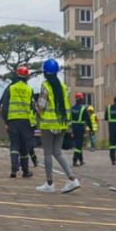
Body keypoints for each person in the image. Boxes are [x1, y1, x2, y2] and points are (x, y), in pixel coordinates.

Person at [33, 59, 81, 193]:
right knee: (58, 152)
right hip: (62, 124)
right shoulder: (63, 86)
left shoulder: (46, 86)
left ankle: (49, 183)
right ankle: (72, 179)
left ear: (45, 72)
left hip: (48, 124)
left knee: (48, 153)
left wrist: (34, 105)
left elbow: (41, 107)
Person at [0, 65, 35, 178]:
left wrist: (6, 121)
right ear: (26, 77)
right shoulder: (30, 89)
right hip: (25, 121)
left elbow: (5, 107)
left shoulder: (11, 88)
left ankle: (14, 169)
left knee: (14, 144)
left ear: (17, 75)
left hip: (13, 120)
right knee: (24, 146)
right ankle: (25, 171)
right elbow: (32, 107)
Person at [68, 93, 96, 168]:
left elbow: (69, 118)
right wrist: (91, 129)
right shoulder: (83, 109)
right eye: (82, 98)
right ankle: (74, 160)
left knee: (78, 143)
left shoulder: (72, 108)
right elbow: (88, 120)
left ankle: (81, 160)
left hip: (74, 127)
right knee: (78, 145)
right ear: (81, 99)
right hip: (80, 128)